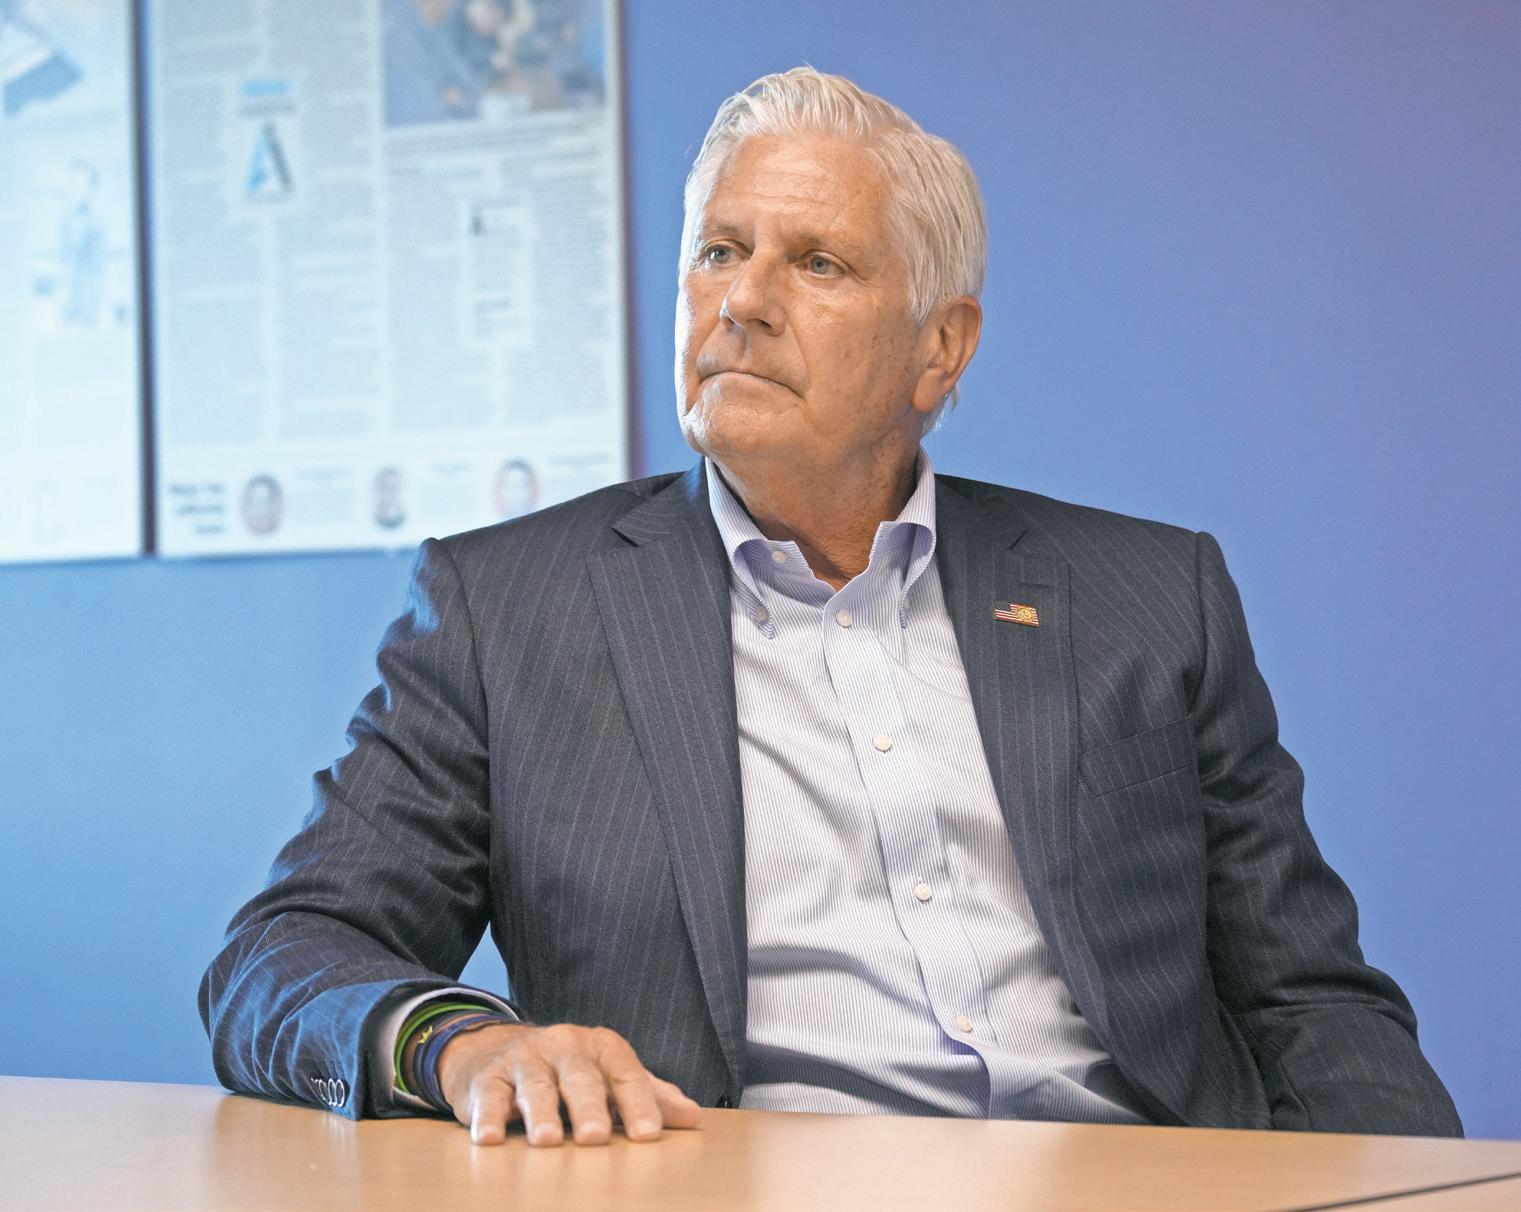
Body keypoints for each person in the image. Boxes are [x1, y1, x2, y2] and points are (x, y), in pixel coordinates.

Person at [202, 68, 1461, 1148]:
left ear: (940, 349)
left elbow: (1311, 1004)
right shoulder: (509, 610)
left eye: (816, 263)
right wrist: (458, 1044)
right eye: (718, 251)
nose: (742, 300)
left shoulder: (1148, 598)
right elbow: (285, 953)